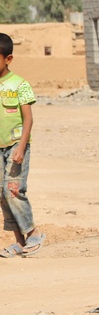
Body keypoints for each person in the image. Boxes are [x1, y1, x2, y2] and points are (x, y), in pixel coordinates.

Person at [0, 32, 44, 258]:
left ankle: (33, 232)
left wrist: (21, 146)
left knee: (13, 190)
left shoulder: (20, 85)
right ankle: (18, 241)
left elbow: (28, 118)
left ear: (8, 59)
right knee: (2, 193)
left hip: (17, 145)